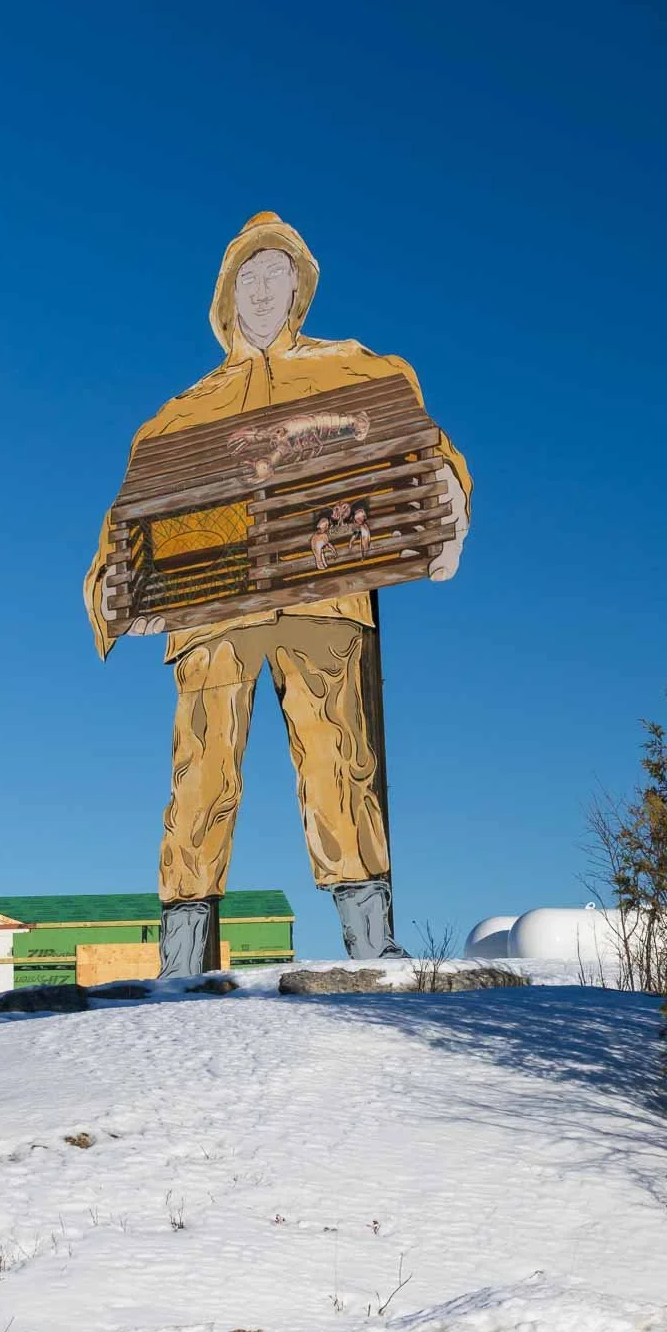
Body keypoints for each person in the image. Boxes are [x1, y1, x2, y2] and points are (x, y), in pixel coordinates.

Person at [85, 212, 470, 978]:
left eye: (278, 276)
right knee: (200, 772)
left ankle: (368, 942)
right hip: (213, 616)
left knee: (338, 757)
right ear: (228, 295)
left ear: (298, 291)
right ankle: (184, 956)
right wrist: (113, 593)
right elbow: (130, 519)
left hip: (322, 602)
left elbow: (423, 450)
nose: (263, 290)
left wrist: (444, 500)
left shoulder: (355, 371)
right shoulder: (179, 415)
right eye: (250, 277)